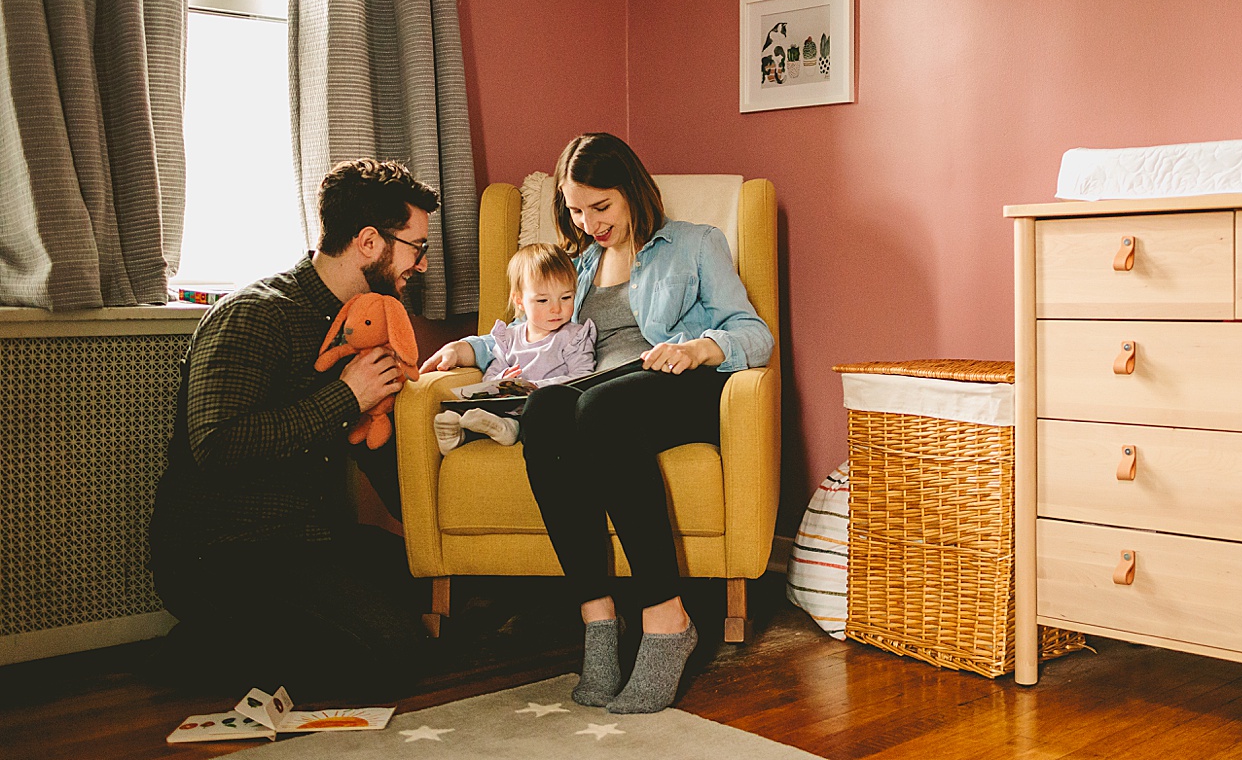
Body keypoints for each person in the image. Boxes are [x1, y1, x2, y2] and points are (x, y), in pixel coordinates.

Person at [421, 133, 773, 714]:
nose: (588, 223)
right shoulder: (578, 264)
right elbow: (528, 330)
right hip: (598, 394)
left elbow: (754, 333)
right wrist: (468, 350)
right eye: (576, 210)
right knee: (545, 409)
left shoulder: (695, 244)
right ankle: (599, 620)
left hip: (679, 382)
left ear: (632, 191)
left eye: (600, 207)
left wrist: (702, 349)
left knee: (599, 408)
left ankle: (667, 620)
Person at [148, 158, 440, 700]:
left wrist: (437, 515)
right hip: (225, 551)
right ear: (370, 241)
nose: (421, 266)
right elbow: (216, 446)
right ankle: (197, 648)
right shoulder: (257, 315)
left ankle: (270, 633)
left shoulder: (362, 322)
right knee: (388, 656)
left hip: (307, 542)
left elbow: (369, 446)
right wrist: (345, 396)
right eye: (417, 247)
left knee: (448, 587)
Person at [429, 243, 596, 453]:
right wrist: (501, 378)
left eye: (566, 297)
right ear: (520, 301)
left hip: (546, 410)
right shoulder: (509, 338)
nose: (556, 308)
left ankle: (505, 429)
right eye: (543, 300)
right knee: (479, 408)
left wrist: (538, 386)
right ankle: (458, 433)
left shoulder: (574, 336)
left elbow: (583, 377)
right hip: (508, 405)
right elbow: (489, 376)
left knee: (533, 414)